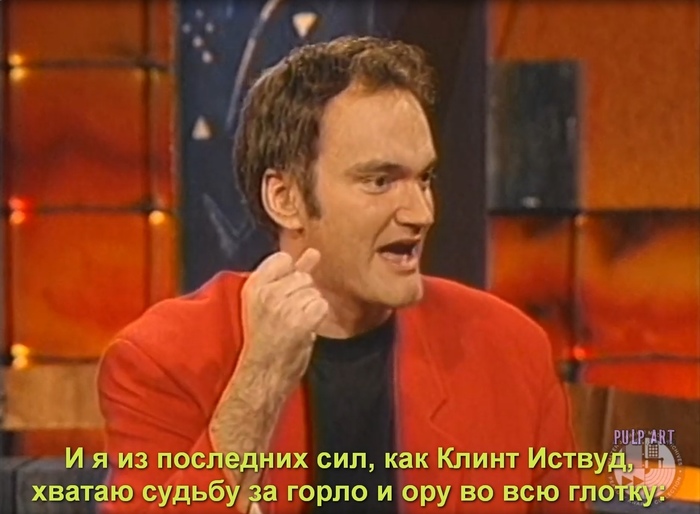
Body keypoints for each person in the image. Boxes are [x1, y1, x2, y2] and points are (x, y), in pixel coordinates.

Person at [98, 36, 585, 514]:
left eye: (424, 179)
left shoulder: (507, 349)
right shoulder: (163, 361)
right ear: (286, 198)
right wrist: (262, 379)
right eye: (380, 181)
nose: (421, 213)